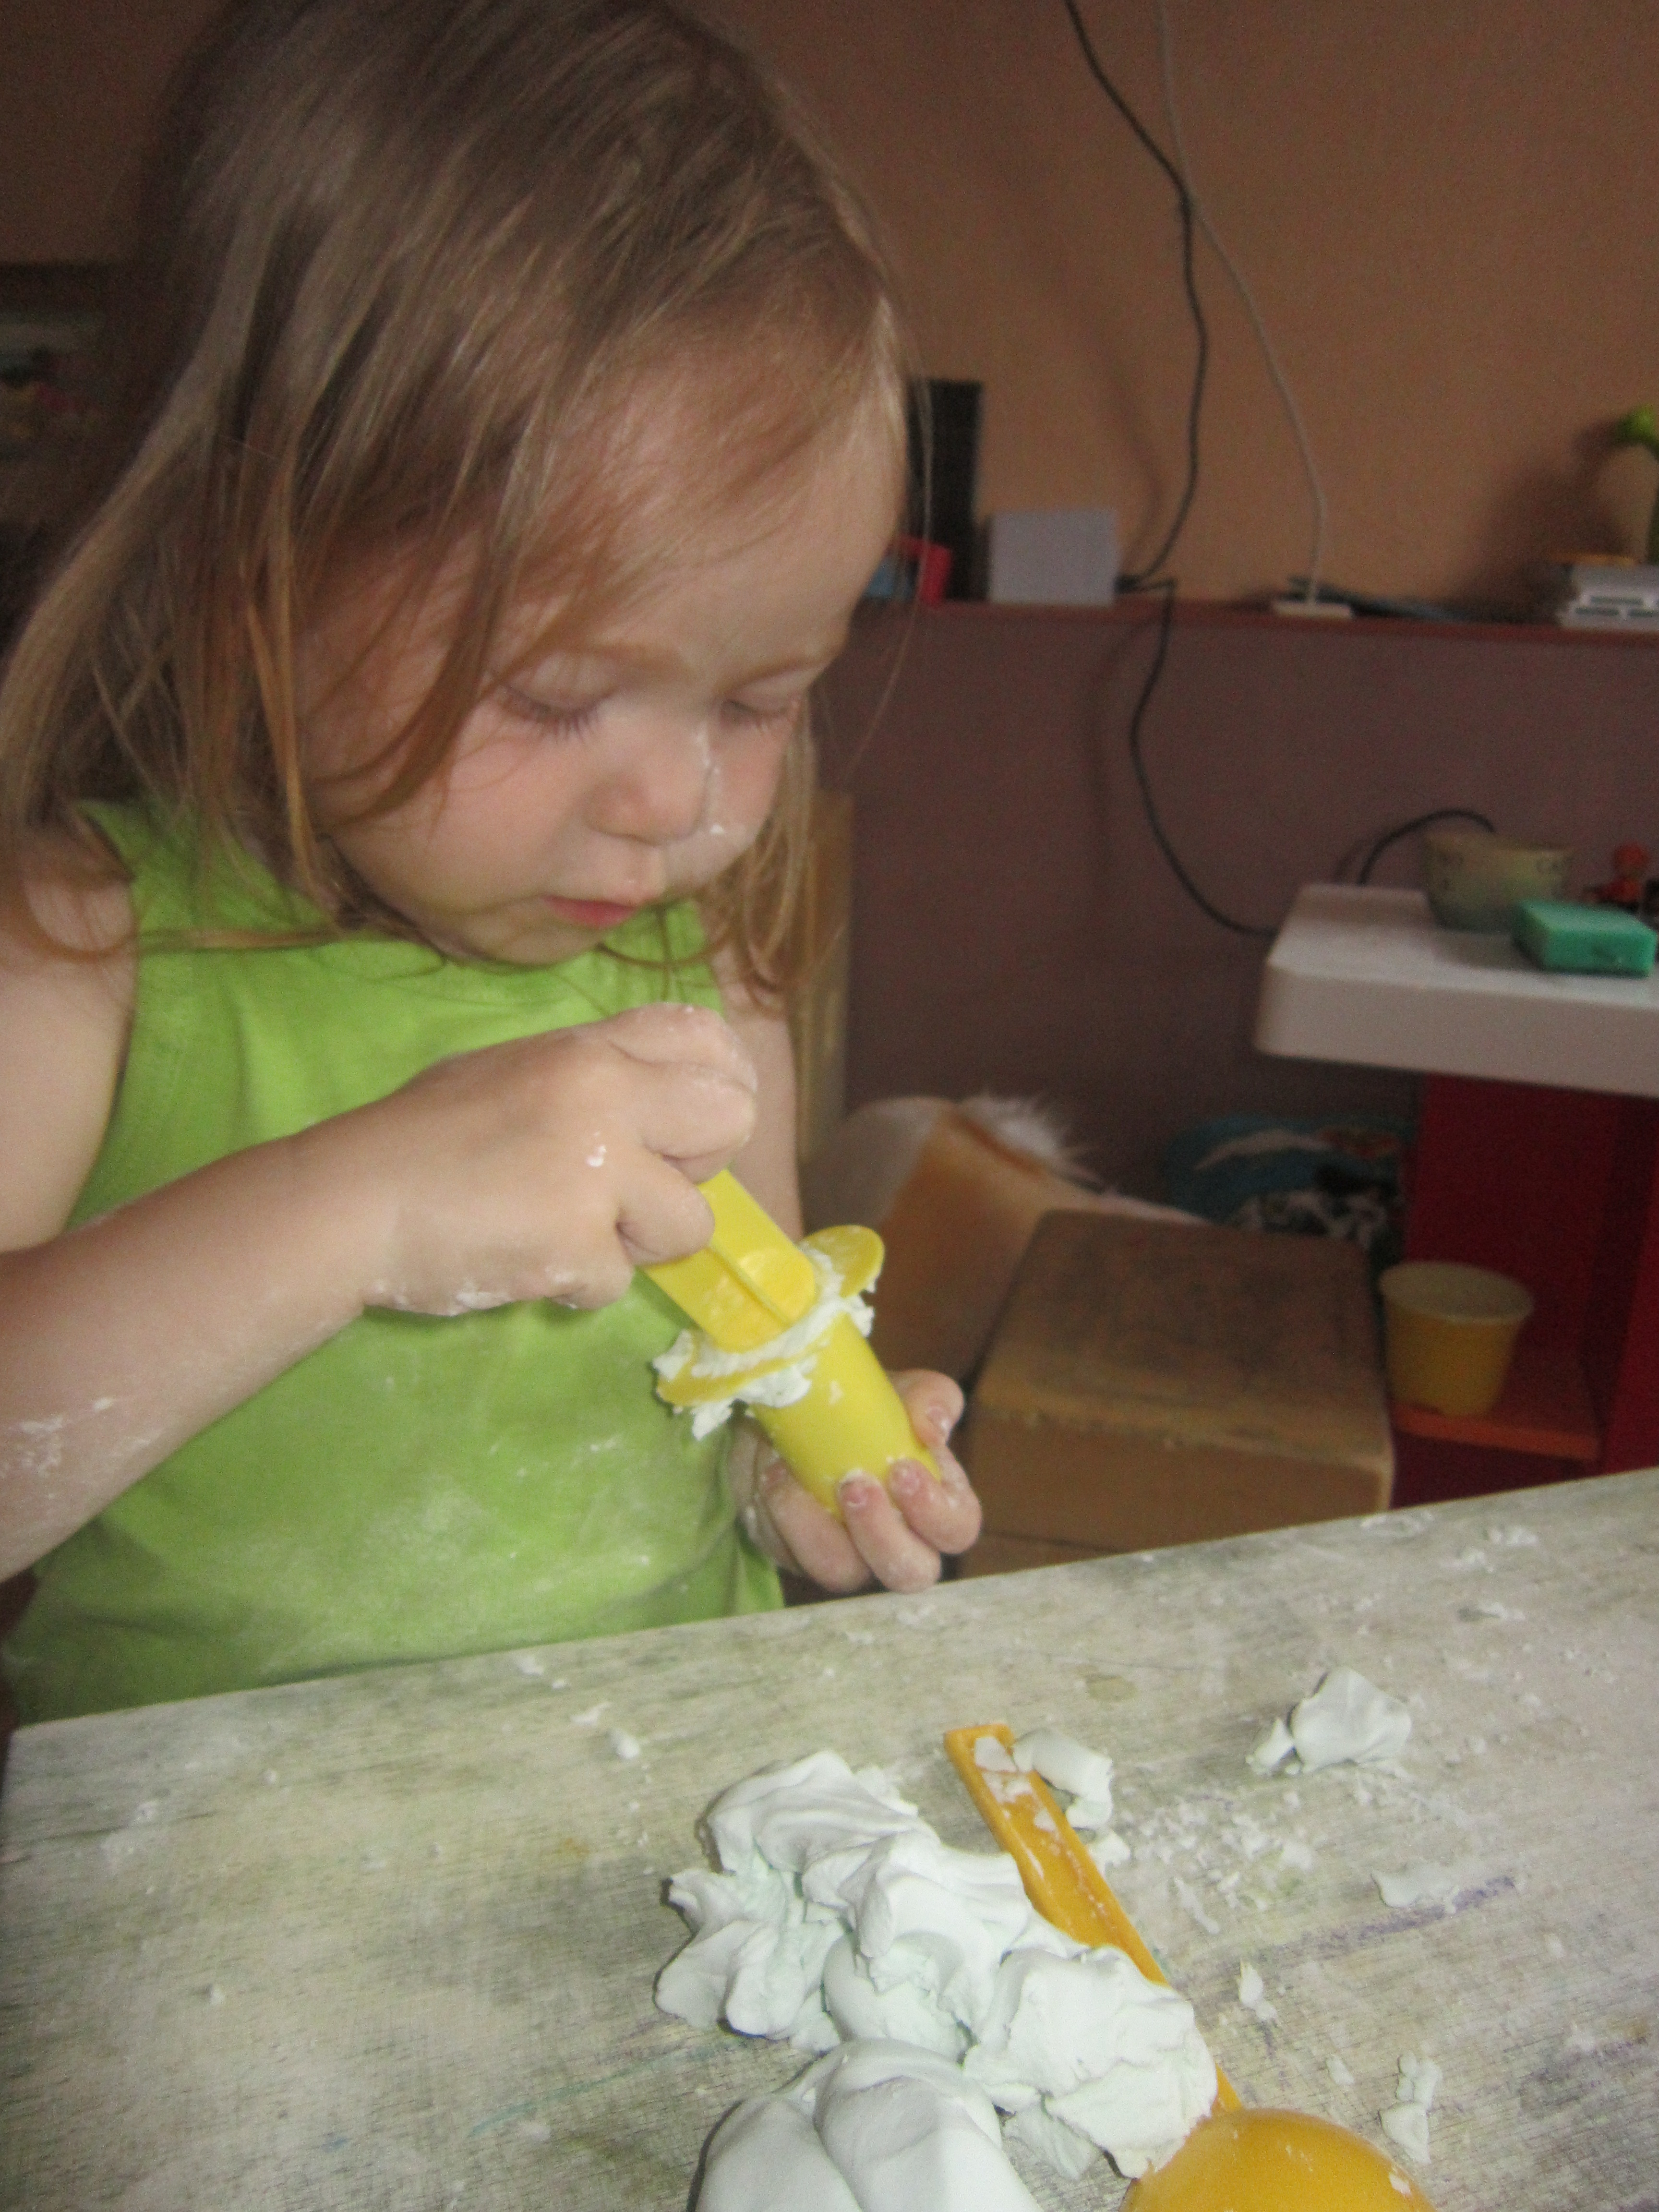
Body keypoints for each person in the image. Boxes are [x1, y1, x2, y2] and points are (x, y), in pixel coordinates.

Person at [0, 0, 980, 1725]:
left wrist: (790, 1470)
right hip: (226, 1852)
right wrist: (360, 1212)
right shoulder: (76, 958)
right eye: (553, 694)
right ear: (253, 582)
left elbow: (725, 1362)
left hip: (667, 1779)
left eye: (760, 700)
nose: (678, 802)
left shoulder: (703, 968)